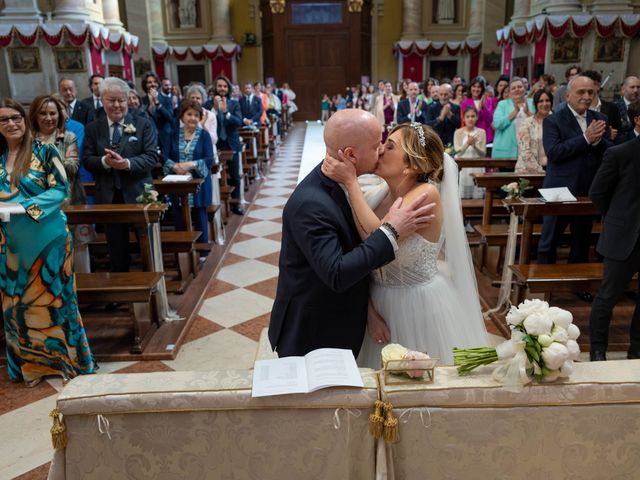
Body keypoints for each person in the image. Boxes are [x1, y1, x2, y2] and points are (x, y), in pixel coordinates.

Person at [268, 109, 435, 358]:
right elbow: (337, 272)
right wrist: (391, 230)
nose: (380, 150)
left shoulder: (345, 185)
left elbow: (355, 251)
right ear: (350, 155)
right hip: (314, 333)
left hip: (360, 316)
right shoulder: (311, 203)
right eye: (377, 144)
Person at [322, 122, 488, 365]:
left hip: (418, 307)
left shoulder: (425, 196)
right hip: (377, 301)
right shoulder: (376, 195)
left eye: (389, 147)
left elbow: (375, 241)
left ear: (411, 166)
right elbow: (360, 257)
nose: (379, 150)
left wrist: (351, 183)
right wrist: (369, 313)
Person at [0, 98, 96, 386]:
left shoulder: (44, 151)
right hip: (11, 246)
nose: (11, 124)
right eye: (3, 120)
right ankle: (31, 366)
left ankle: (69, 363)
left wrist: (26, 208)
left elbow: (60, 190)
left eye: (15, 117)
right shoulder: (0, 158)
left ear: (24, 119)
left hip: (48, 240)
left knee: (55, 302)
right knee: (17, 307)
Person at [84, 77, 159, 272]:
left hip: (140, 191)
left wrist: (126, 163)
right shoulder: (93, 128)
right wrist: (105, 162)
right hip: (109, 195)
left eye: (121, 100)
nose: (117, 105)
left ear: (127, 99)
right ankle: (122, 290)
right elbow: (87, 159)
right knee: (116, 247)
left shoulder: (143, 124)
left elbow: (152, 157)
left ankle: (153, 284)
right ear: (102, 100)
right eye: (111, 100)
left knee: (148, 243)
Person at [537, 75, 612, 265]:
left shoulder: (600, 118)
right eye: (581, 92)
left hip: (588, 188)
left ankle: (577, 289)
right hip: (559, 188)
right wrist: (586, 139)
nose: (587, 96)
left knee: (582, 240)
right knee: (550, 239)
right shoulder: (553, 121)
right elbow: (554, 153)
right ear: (568, 95)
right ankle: (545, 286)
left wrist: (597, 143)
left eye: (591, 92)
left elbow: (610, 152)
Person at [588, 100, 640, 362]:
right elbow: (597, 192)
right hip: (624, 235)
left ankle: (637, 349)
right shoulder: (621, 152)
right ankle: (598, 350)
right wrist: (617, 217)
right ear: (638, 119)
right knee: (607, 297)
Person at [29, 95, 94, 272]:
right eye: (43, 113)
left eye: (52, 113)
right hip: (39, 204)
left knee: (78, 249)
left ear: (60, 115)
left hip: (70, 200)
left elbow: (72, 167)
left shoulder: (67, 137)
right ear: (35, 115)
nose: (48, 118)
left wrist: (46, 158)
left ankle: (83, 293)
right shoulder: (27, 140)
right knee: (47, 253)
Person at [165, 100, 214, 252]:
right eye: (189, 114)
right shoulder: (172, 134)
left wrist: (190, 165)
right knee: (179, 216)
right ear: (182, 116)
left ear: (200, 118)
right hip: (178, 182)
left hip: (198, 182)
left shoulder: (204, 135)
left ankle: (202, 251)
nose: (192, 118)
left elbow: (209, 158)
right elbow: (163, 155)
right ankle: (183, 251)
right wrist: (175, 166)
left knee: (200, 215)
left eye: (196, 115)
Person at [212, 75, 245, 215]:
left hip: (231, 144)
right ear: (215, 88)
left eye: (225, 86)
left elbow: (239, 122)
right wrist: (214, 110)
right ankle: (218, 203)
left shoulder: (234, 103)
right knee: (217, 176)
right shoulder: (209, 103)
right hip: (216, 144)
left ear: (228, 88)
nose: (222, 88)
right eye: (219, 86)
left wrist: (226, 113)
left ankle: (236, 204)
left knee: (234, 175)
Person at [491, 77, 534, 159]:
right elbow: (497, 124)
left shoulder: (532, 103)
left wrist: (528, 112)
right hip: (506, 152)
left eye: (520, 87)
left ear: (525, 88)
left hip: (529, 151)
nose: (517, 89)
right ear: (510, 92)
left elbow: (540, 123)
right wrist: (514, 113)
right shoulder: (502, 104)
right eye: (513, 88)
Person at [515, 88, 552, 173]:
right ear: (535, 104)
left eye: (547, 100)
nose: (545, 104)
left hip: (552, 170)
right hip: (527, 172)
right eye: (541, 101)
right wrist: (542, 172)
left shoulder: (558, 122)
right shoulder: (526, 124)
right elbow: (525, 152)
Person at [454, 107, 486, 202]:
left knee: (477, 195)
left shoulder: (481, 132)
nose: (470, 119)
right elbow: (458, 152)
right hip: (463, 169)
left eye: (473, 116)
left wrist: (474, 145)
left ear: (477, 117)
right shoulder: (458, 132)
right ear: (463, 118)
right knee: (462, 196)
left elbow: (483, 154)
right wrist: (467, 143)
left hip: (477, 167)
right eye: (467, 116)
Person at [460, 77, 495, 143]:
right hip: (473, 135)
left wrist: (483, 107)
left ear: (482, 89)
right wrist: (478, 110)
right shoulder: (465, 102)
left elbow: (490, 119)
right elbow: (467, 121)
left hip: (487, 135)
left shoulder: (488, 100)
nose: (476, 89)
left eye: (479, 87)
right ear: (470, 88)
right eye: (474, 86)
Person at [614, 76, 640, 143]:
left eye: (638, 87)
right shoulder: (614, 106)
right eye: (632, 87)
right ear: (623, 89)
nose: (636, 90)